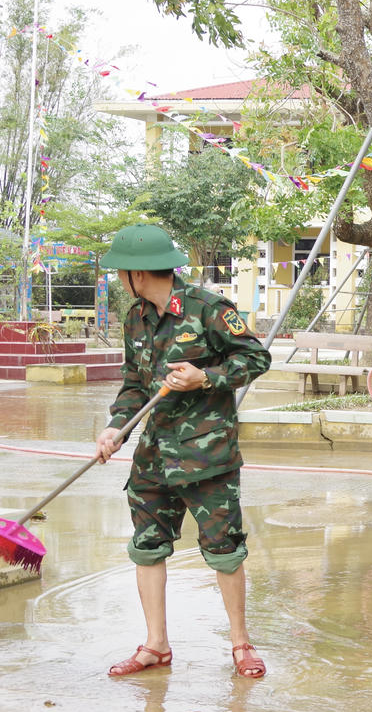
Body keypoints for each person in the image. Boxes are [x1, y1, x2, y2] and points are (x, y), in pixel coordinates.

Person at [93, 224, 271, 679]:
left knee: (225, 550)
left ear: (138, 273)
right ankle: (155, 645)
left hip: (208, 456)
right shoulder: (136, 317)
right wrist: (116, 430)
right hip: (154, 456)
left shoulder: (208, 308)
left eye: (122, 273)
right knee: (148, 547)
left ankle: (241, 644)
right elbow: (134, 385)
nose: (120, 281)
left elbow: (255, 358)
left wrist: (204, 377)